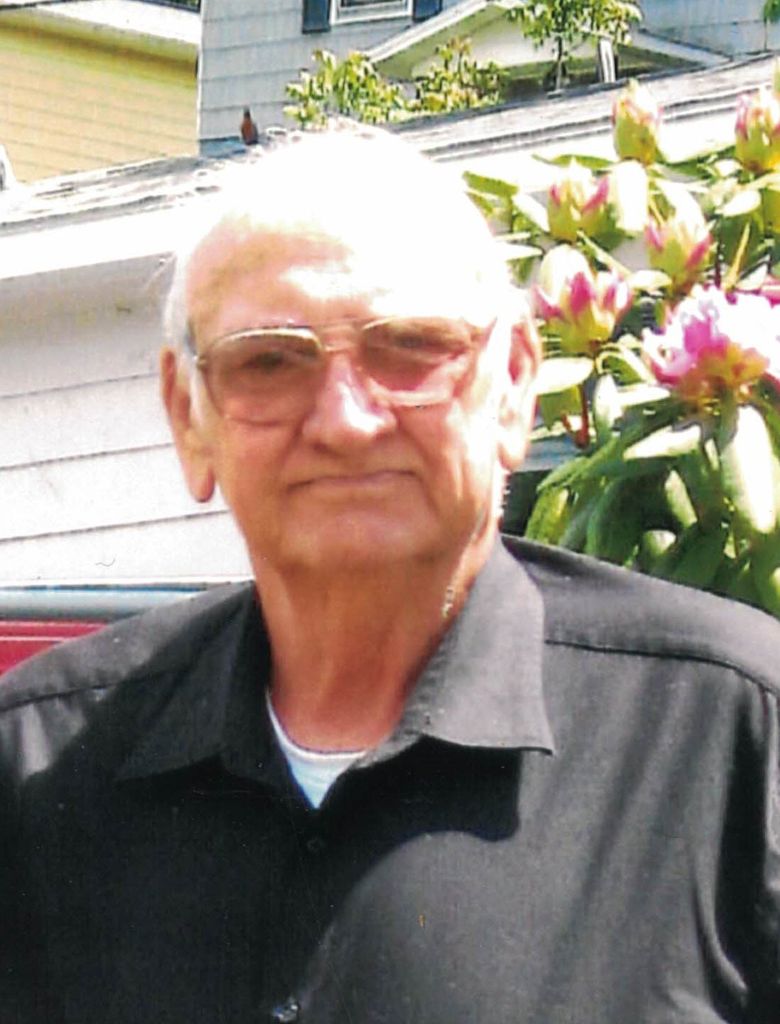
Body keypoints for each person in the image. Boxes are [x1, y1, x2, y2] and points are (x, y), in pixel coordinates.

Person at [1, 124, 780, 1024]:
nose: (346, 421)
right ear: (188, 414)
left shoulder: (733, 745)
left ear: (514, 385)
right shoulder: (36, 772)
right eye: (269, 361)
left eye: (410, 347)